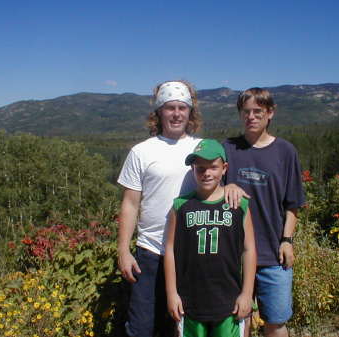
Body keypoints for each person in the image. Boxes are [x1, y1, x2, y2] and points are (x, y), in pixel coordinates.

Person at [117, 80, 202, 337]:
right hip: (150, 252)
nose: (176, 114)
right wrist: (123, 250)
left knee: (185, 326)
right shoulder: (141, 152)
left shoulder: (202, 149)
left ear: (190, 113)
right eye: (169, 108)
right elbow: (130, 204)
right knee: (142, 327)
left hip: (191, 253)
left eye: (182, 108)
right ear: (159, 112)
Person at [223, 88, 306, 337]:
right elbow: (209, 189)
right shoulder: (227, 149)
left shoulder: (285, 152)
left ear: (270, 113)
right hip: (234, 256)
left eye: (258, 111)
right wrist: (226, 185)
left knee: (277, 321)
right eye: (246, 112)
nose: (251, 116)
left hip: (273, 254)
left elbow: (293, 203)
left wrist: (287, 241)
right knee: (238, 321)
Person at [164, 139, 257, 337]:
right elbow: (170, 250)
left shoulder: (239, 206)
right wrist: (172, 293)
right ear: (193, 169)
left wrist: (247, 293)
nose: (207, 173)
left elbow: (249, 250)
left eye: (213, 167)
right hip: (190, 302)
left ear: (224, 168)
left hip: (228, 301)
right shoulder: (181, 206)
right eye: (200, 168)